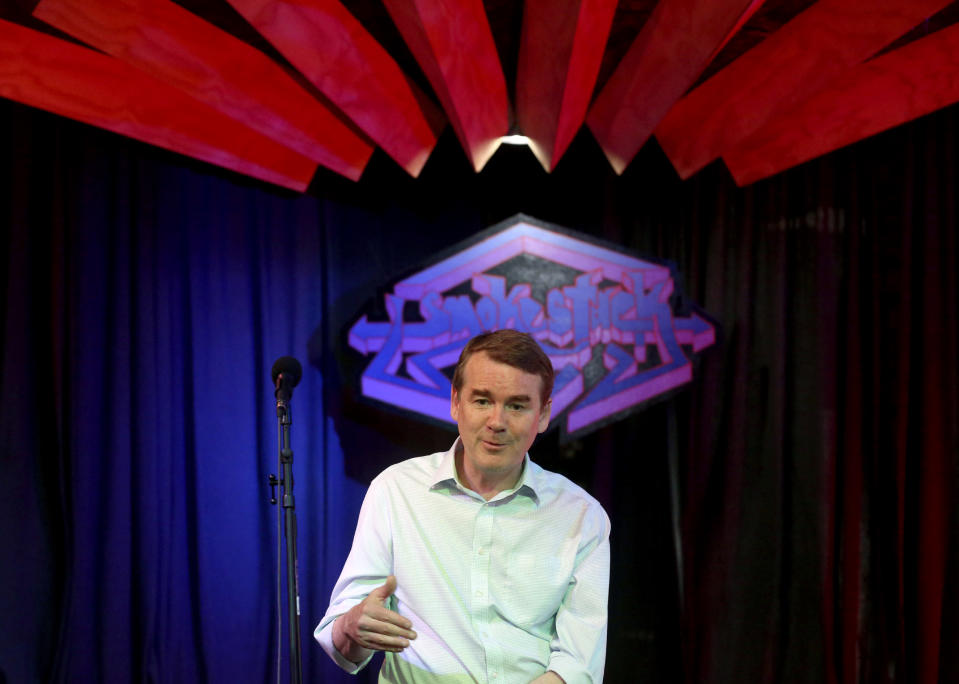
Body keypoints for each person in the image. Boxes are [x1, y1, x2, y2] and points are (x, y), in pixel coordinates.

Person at [315, 329, 610, 683]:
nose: (496, 422)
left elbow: (578, 665)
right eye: (482, 400)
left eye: (516, 405)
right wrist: (354, 625)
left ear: (544, 415)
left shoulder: (581, 515)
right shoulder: (396, 491)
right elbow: (341, 641)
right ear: (456, 402)